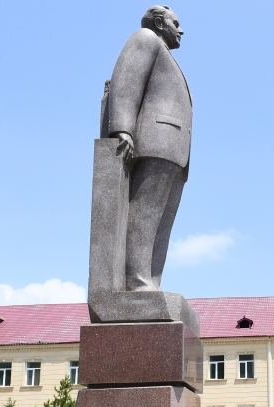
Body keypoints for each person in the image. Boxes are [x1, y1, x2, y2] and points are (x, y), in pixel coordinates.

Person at [105, 5, 192, 291]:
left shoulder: (164, 52)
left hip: (173, 150)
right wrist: (122, 128)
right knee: (145, 214)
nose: (181, 29)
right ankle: (137, 282)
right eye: (175, 22)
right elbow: (126, 82)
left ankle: (151, 282)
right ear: (158, 22)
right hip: (154, 142)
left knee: (162, 223)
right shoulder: (145, 39)